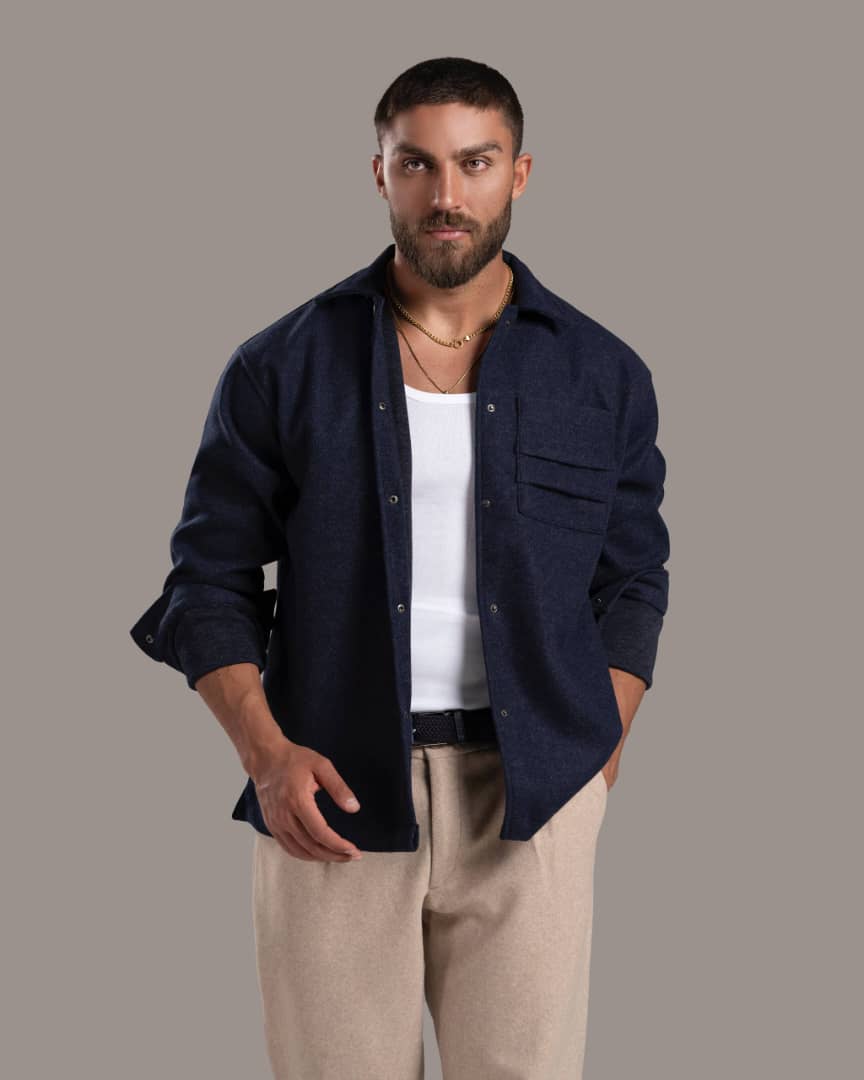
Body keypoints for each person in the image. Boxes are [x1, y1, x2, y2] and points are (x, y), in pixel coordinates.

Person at [130, 56, 671, 1080]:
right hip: (329, 791)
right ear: (380, 173)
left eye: (476, 162)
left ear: (520, 173)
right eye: (418, 164)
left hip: (535, 795)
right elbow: (208, 582)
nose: (446, 195)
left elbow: (634, 576)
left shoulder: (601, 373)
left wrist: (595, 747)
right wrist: (265, 757)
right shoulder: (282, 365)